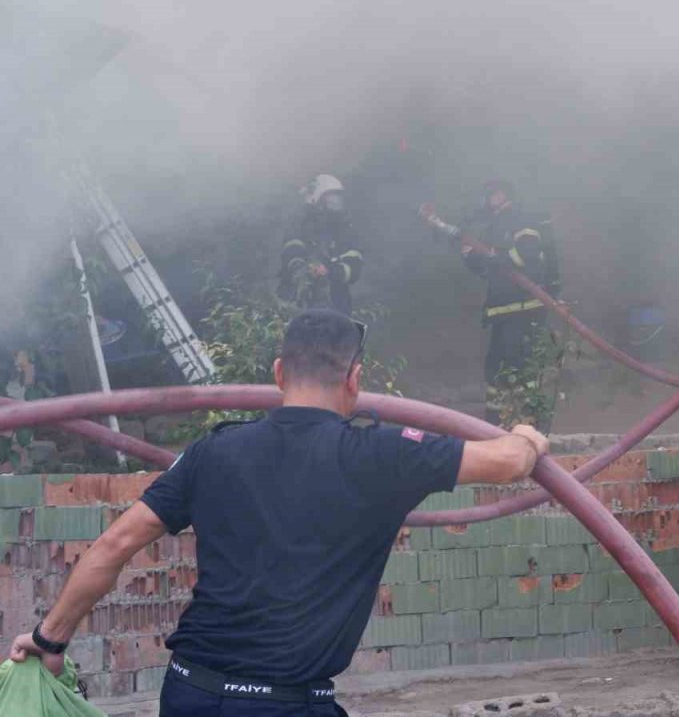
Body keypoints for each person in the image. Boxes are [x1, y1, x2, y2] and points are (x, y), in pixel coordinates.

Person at [7, 309, 550, 716]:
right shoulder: (382, 454)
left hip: (189, 692)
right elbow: (508, 461)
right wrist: (527, 434)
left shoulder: (212, 451)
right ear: (354, 379)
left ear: (277, 372)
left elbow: (112, 546)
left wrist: (51, 640)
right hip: (284, 704)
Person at [457, 180, 561, 426]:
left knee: (521, 368)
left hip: (523, 310)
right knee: (496, 369)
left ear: (504, 195)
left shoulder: (519, 219)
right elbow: (486, 269)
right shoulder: (494, 225)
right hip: (503, 312)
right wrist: (470, 255)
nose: (488, 199)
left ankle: (527, 424)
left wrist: (495, 257)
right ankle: (496, 424)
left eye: (492, 193)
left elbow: (527, 255)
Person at [278, 174, 365, 315]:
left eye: (338, 198)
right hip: (296, 304)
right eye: (331, 198)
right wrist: (301, 269)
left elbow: (354, 263)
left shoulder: (344, 229)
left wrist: (331, 271)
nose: (336, 203)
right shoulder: (300, 223)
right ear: (316, 199)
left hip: (335, 306)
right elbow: (292, 250)